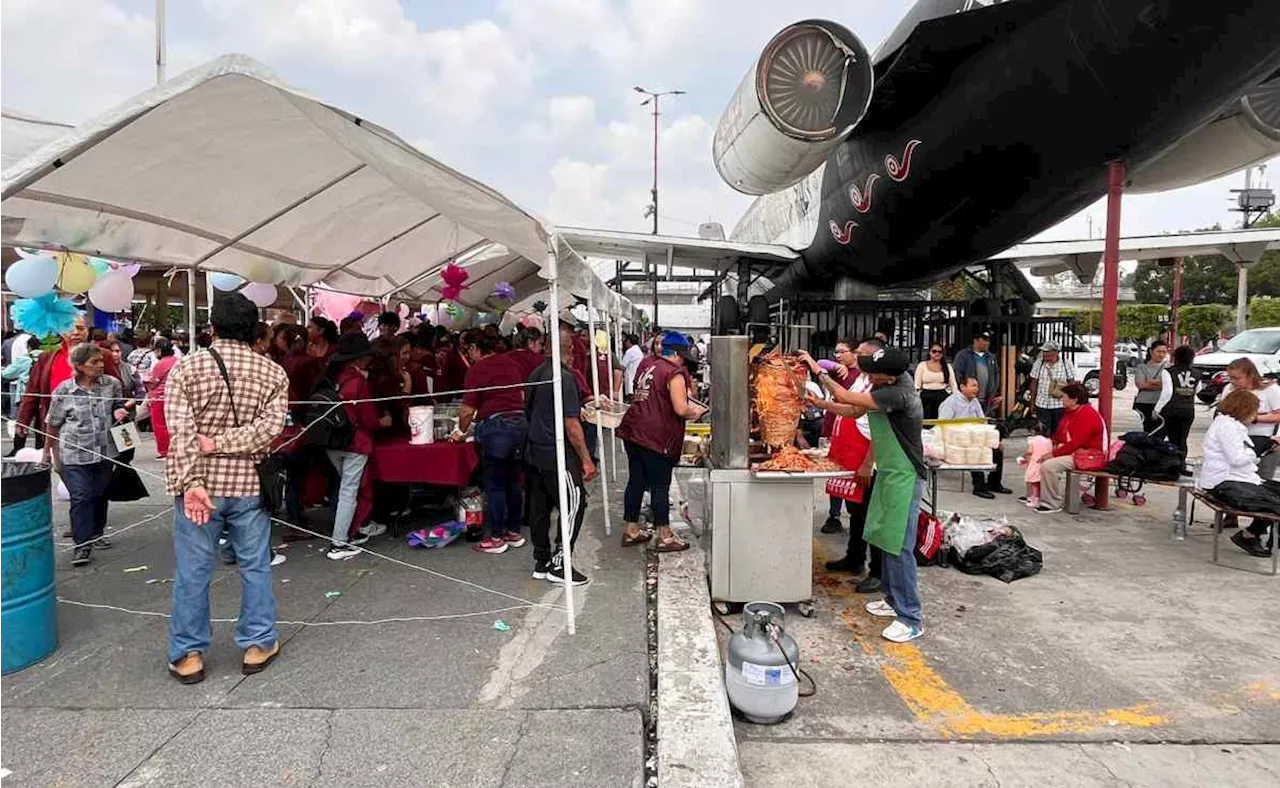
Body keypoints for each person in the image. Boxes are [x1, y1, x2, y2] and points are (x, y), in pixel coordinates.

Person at [163, 291, 289, 685]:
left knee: (193, 570)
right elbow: (270, 430)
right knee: (255, 565)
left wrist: (193, 481)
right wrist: (227, 443)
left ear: (211, 327)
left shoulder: (186, 370)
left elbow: (180, 433)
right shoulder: (273, 373)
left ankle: (188, 654)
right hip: (249, 482)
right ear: (254, 331)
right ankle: (258, 643)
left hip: (199, 489)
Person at [803, 346, 927, 643]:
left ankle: (910, 616)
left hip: (904, 476)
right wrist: (820, 402)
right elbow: (853, 409)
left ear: (891, 376)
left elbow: (847, 397)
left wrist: (817, 370)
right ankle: (892, 599)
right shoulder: (883, 386)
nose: (868, 374)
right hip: (888, 472)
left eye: (873, 370)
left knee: (899, 546)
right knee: (884, 537)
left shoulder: (898, 394)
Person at [524, 317, 598, 585]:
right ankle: (559, 562)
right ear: (569, 350)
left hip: (535, 452)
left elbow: (531, 411)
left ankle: (541, 560)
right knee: (575, 503)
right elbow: (570, 423)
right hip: (556, 452)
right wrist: (586, 460)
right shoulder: (563, 377)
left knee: (540, 508)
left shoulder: (536, 373)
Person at [618, 331, 707, 552]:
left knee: (636, 481)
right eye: (683, 355)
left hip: (634, 431)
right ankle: (665, 536)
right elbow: (680, 408)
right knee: (660, 486)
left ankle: (631, 530)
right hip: (655, 437)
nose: (684, 360)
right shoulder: (673, 373)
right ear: (677, 353)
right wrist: (694, 412)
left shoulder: (648, 365)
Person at [46, 343, 128, 567]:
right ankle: (82, 545)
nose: (101, 365)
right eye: (95, 362)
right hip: (73, 455)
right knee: (81, 497)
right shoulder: (64, 390)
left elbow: (119, 408)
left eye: (101, 361)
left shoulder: (112, 385)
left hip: (104, 453)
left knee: (99, 494)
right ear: (80, 366)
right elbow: (52, 425)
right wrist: (50, 453)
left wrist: (121, 411)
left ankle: (97, 533)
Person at [457, 334, 528, 554]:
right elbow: (522, 394)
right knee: (514, 481)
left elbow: (468, 409)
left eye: (469, 350)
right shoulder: (511, 363)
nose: (468, 355)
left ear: (476, 348)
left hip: (497, 429)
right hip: (519, 424)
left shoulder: (477, 369)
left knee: (495, 484)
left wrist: (461, 430)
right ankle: (513, 532)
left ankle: (496, 537)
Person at [325, 333, 392, 561]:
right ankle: (339, 542)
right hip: (355, 442)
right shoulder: (359, 382)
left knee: (344, 488)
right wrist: (384, 422)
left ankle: (351, 531)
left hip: (332, 441)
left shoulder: (332, 377)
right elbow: (370, 420)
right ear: (360, 359)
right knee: (349, 491)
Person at [1199, 390, 1280, 558]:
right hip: (1224, 481)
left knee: (1274, 493)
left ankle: (1253, 534)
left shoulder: (1231, 425)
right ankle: (1250, 535)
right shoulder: (1227, 426)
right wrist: (1258, 450)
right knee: (1272, 502)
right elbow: (1237, 459)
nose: (1256, 415)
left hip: (1236, 477)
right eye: (1254, 410)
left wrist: (1263, 448)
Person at [18, 314, 90, 465]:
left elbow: (119, 388)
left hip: (91, 427)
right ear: (61, 332)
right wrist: (23, 420)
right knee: (60, 468)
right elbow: (33, 391)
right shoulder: (48, 357)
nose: (76, 333)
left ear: (87, 331)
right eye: (70, 329)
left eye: (80, 328)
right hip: (56, 425)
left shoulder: (102, 355)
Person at [1032, 383, 1106, 514]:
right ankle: (1034, 494)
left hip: (1087, 455)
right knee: (1036, 451)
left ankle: (1051, 503)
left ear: (1074, 399)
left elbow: (1076, 443)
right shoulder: (1070, 412)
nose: (1062, 399)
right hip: (1075, 452)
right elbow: (1060, 435)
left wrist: (1053, 454)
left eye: (1064, 397)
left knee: (1049, 466)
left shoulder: (1087, 414)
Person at [938, 376, 1011, 499]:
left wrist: (992, 440)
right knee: (975, 450)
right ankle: (979, 487)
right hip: (958, 440)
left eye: (977, 386)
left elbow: (982, 422)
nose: (976, 389)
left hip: (975, 436)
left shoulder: (975, 401)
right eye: (973, 385)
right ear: (962, 387)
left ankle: (994, 483)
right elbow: (942, 424)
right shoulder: (951, 402)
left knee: (997, 448)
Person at [819, 339, 859, 535]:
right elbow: (819, 364)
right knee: (834, 472)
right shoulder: (838, 371)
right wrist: (834, 365)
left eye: (842, 352)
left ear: (855, 353)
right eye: (836, 352)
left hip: (853, 427)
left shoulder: (861, 377)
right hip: (834, 422)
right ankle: (834, 515)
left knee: (851, 473)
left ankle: (855, 515)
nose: (838, 355)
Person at [1152, 345, 1199, 468]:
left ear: (1175, 357)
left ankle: (1169, 463)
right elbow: (1197, 390)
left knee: (1170, 437)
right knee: (1182, 438)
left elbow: (1167, 392)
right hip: (1189, 409)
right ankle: (1181, 464)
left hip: (1172, 408)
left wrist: (1157, 409)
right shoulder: (1197, 373)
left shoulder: (1168, 372)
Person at [1027, 341, 1077, 438]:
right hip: (1041, 404)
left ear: (1056, 352)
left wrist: (1072, 403)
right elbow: (1033, 383)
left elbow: (1072, 383)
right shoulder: (1039, 363)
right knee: (1042, 434)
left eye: (1047, 351)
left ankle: (1055, 451)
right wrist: (1032, 403)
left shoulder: (1066, 364)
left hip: (1059, 405)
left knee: (1058, 433)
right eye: (1043, 351)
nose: (1044, 354)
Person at [1, 335, 41, 455]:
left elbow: (7, 374)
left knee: (22, 422)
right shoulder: (47, 357)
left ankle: (18, 449)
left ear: (28, 347)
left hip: (26, 394)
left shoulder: (25, 359)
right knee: (40, 424)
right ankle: (40, 449)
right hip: (44, 394)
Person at [952, 331, 1001, 414]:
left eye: (988, 340)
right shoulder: (963, 355)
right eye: (984, 340)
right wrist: (964, 390)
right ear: (976, 340)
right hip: (968, 398)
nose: (987, 343)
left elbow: (996, 375)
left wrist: (994, 392)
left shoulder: (991, 357)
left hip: (987, 399)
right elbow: (957, 373)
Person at [146, 338, 180, 458]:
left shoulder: (160, 364)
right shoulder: (179, 361)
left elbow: (153, 382)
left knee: (159, 425)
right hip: (176, 397)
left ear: (159, 350)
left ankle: (164, 450)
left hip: (159, 398)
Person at [1132, 341, 1169, 432]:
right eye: (1159, 351)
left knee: (1160, 431)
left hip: (1161, 403)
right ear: (1151, 352)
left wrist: (1151, 382)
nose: (1161, 355)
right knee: (1147, 430)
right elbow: (1140, 384)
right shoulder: (1142, 367)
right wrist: (1160, 384)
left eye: (1164, 352)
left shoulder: (1168, 368)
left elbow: (1168, 386)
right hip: (1144, 403)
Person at [914, 343, 955, 420]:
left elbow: (953, 384)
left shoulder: (947, 366)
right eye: (934, 351)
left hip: (942, 396)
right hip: (926, 397)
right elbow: (917, 385)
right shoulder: (922, 365)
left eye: (940, 352)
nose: (937, 353)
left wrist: (955, 398)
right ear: (929, 352)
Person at [1017, 426, 1055, 509]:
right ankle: (1040, 498)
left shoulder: (1032, 440)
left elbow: (1030, 451)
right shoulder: (1049, 440)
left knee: (1033, 483)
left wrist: (1024, 458)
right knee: (1040, 483)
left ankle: (1034, 499)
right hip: (1045, 463)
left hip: (1034, 463)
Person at [622, 333, 645, 399]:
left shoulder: (630, 351)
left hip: (631, 377)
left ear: (629, 341)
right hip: (637, 376)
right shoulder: (638, 350)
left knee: (630, 397)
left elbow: (623, 366)